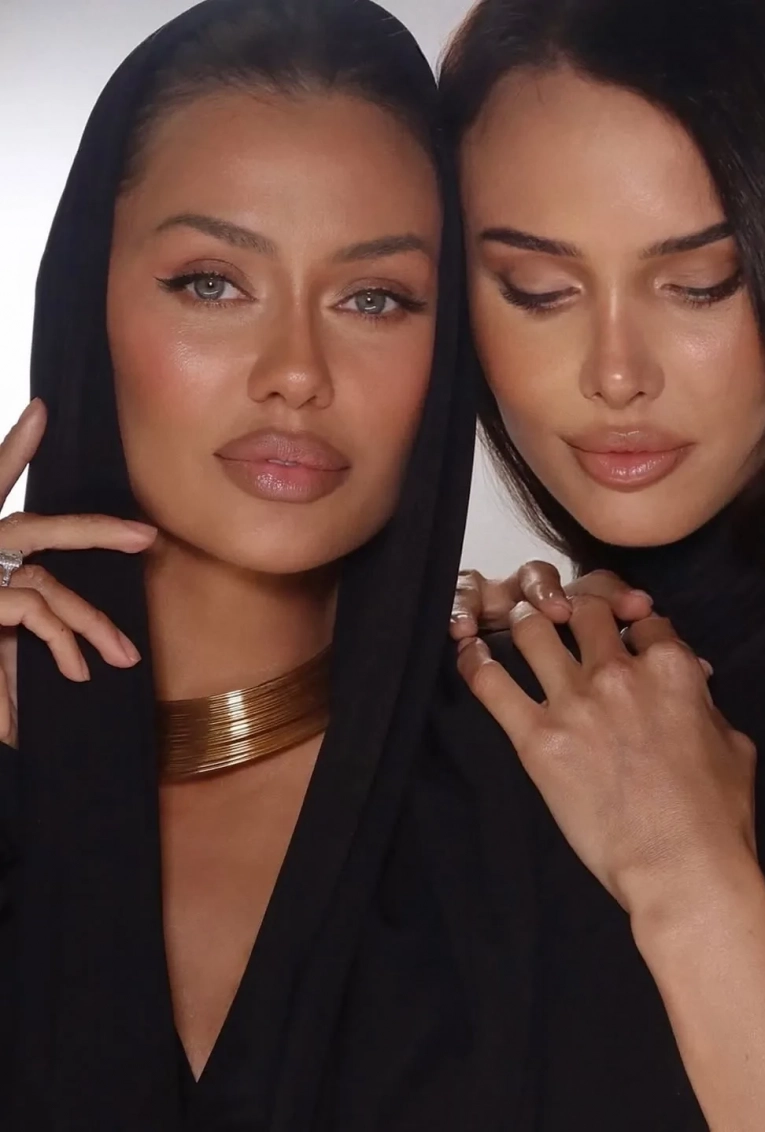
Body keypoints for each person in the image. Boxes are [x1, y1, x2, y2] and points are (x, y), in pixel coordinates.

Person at [0, 0, 479, 1126]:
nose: (295, 372)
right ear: (86, 301)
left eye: (375, 298)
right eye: (212, 282)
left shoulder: (547, 790)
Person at [439, 0, 765, 1126]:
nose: (616, 373)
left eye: (701, 282)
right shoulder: (561, 669)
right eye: (538, 290)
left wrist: (686, 875)